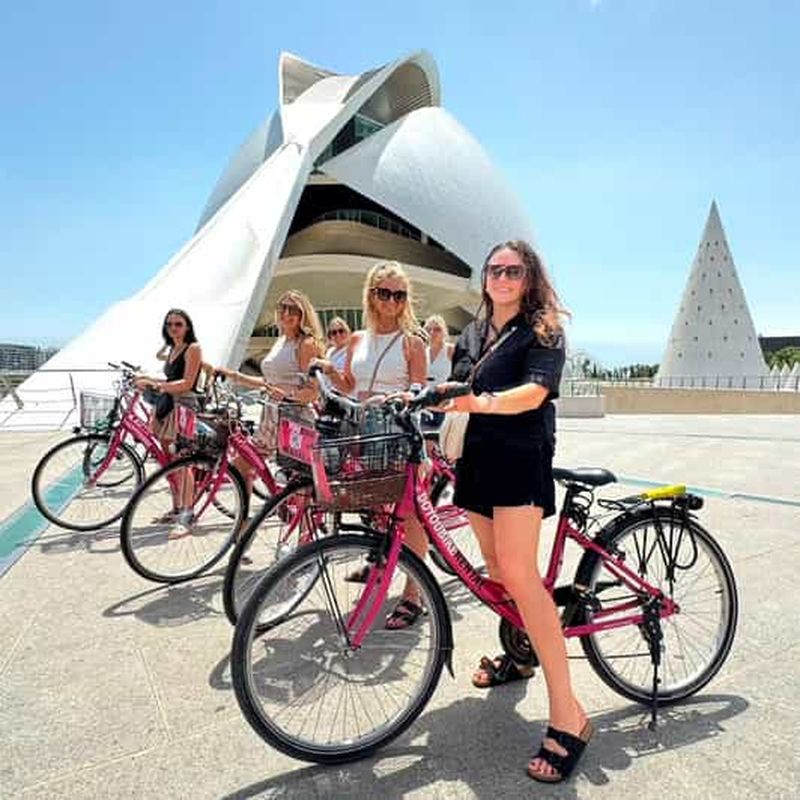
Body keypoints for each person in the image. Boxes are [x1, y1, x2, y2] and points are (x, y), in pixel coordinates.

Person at [440, 240, 591, 783]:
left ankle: (569, 715)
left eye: (514, 270)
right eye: (495, 269)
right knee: (498, 571)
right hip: (477, 461)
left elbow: (535, 392)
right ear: (484, 277)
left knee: (522, 577)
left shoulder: (542, 329)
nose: (502, 277)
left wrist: (482, 403)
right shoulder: (472, 333)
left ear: (529, 279)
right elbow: (458, 387)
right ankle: (522, 653)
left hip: (521, 458)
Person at [316, 261, 429, 629]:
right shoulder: (356, 340)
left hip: (397, 433)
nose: (392, 301)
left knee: (408, 514)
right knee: (378, 509)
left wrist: (400, 395)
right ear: (371, 294)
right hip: (363, 433)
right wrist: (330, 372)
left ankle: (414, 594)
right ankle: (381, 563)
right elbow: (351, 384)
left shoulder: (412, 341)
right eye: (385, 293)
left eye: (399, 295)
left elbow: (419, 388)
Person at [218, 290, 323, 487]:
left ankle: (286, 505)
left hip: (293, 419)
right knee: (243, 467)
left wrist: (288, 395)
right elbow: (268, 382)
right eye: (283, 308)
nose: (286, 313)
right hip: (272, 417)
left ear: (303, 314)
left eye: (293, 309)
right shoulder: (281, 341)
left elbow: (313, 391)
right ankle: (245, 508)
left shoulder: (305, 343)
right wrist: (234, 375)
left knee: (298, 487)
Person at [135, 308, 203, 535]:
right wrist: (149, 380)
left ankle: (187, 513)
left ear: (187, 326)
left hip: (184, 407)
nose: (173, 328)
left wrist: (157, 385)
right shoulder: (174, 348)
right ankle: (176, 508)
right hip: (168, 406)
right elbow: (172, 379)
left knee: (183, 462)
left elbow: (187, 383)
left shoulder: (193, 348)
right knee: (168, 462)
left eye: (178, 324)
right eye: (170, 324)